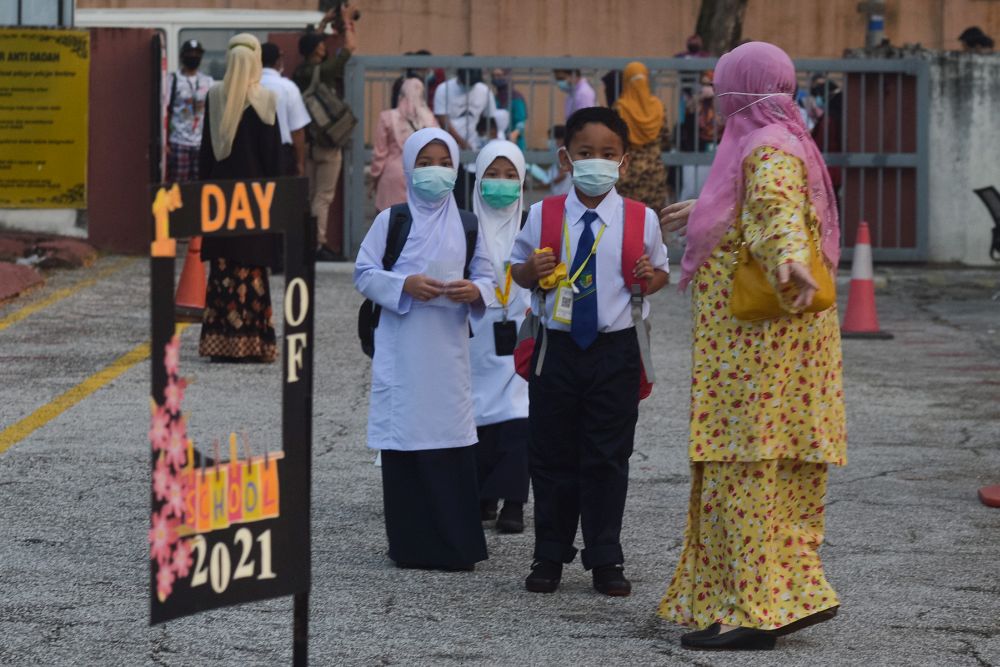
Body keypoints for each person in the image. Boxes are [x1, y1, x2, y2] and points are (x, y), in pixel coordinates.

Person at [657, 42, 846, 651]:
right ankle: (790, 596)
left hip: (752, 357)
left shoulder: (763, 147)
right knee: (782, 473)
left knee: (743, 472)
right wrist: (709, 211)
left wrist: (788, 260)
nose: (715, 100)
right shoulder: (789, 140)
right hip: (791, 354)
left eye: (721, 89)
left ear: (739, 92)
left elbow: (774, 213)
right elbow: (765, 205)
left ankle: (750, 611)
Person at [510, 107, 670, 597]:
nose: (595, 162)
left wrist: (651, 278)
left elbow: (660, 273)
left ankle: (606, 558)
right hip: (556, 349)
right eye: (585, 154)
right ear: (565, 158)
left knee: (608, 456)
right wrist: (531, 271)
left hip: (614, 350)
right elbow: (516, 271)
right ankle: (549, 555)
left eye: (607, 154)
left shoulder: (641, 219)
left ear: (623, 161)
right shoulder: (543, 215)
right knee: (551, 455)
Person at [354, 128, 494, 571]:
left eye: (444, 162)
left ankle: (456, 546)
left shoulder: (469, 224)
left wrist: (474, 291)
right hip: (402, 350)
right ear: (411, 168)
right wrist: (405, 285)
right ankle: (412, 546)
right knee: (407, 440)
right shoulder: (391, 220)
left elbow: (490, 278)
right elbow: (363, 271)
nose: (435, 171)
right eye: (426, 162)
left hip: (448, 356)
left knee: (450, 440)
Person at [197, 34, 281, 363]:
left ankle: (221, 343)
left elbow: (206, 155)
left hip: (219, 200)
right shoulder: (265, 100)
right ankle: (254, 344)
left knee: (223, 270)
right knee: (252, 272)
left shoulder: (214, 97)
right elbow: (273, 160)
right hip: (255, 202)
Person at [470, 140, 531, 534]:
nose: (501, 183)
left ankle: (514, 501)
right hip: (475, 334)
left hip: (520, 331)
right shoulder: (463, 226)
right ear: (477, 178)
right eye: (492, 174)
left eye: (511, 176)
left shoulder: (533, 224)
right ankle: (482, 494)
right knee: (478, 416)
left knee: (518, 416)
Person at [293, 7, 356, 261]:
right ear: (316, 50)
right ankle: (317, 244)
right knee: (323, 195)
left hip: (308, 144)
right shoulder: (326, 70)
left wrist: (324, 23)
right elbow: (350, 48)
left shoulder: (300, 72)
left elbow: (312, 43)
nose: (323, 45)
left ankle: (307, 239)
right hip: (328, 144)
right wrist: (348, 22)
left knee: (310, 196)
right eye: (320, 44)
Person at [434, 63, 497, 209]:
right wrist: (461, 142)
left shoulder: (484, 90)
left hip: (475, 148)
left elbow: (489, 118)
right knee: (454, 192)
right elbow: (443, 119)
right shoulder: (444, 89)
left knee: (473, 192)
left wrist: (487, 139)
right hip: (449, 147)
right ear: (459, 78)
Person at [370, 78, 438, 212]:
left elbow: (380, 154)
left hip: (393, 176)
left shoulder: (387, 117)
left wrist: (374, 178)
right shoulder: (430, 119)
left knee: (390, 224)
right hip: (422, 176)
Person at [614, 62, 670, 212]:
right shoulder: (658, 107)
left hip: (628, 175)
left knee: (628, 220)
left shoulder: (620, 108)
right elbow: (666, 138)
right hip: (654, 174)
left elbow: (616, 142)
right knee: (653, 222)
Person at [260, 42, 310, 177]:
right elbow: (297, 130)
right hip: (281, 153)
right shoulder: (288, 87)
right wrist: (300, 163)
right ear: (278, 61)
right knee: (282, 196)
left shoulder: (247, 87)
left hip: (253, 154)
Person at [166, 39, 214, 183]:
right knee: (179, 185)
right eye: (190, 53)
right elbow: (166, 110)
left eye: (197, 53)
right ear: (182, 56)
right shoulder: (172, 80)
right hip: (178, 141)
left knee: (200, 183)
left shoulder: (208, 81)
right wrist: (166, 142)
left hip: (200, 142)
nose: (193, 56)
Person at [492, 68, 527, 151]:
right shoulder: (495, 98)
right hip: (497, 143)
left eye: (499, 75)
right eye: (494, 76)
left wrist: (514, 134)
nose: (496, 78)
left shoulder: (516, 98)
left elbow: (521, 122)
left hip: (515, 143)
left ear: (507, 76)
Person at [545, 125, 572, 196]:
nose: (549, 141)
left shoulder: (561, 153)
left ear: (561, 139)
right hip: (562, 192)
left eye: (551, 138)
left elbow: (562, 175)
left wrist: (547, 184)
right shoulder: (562, 152)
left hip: (562, 192)